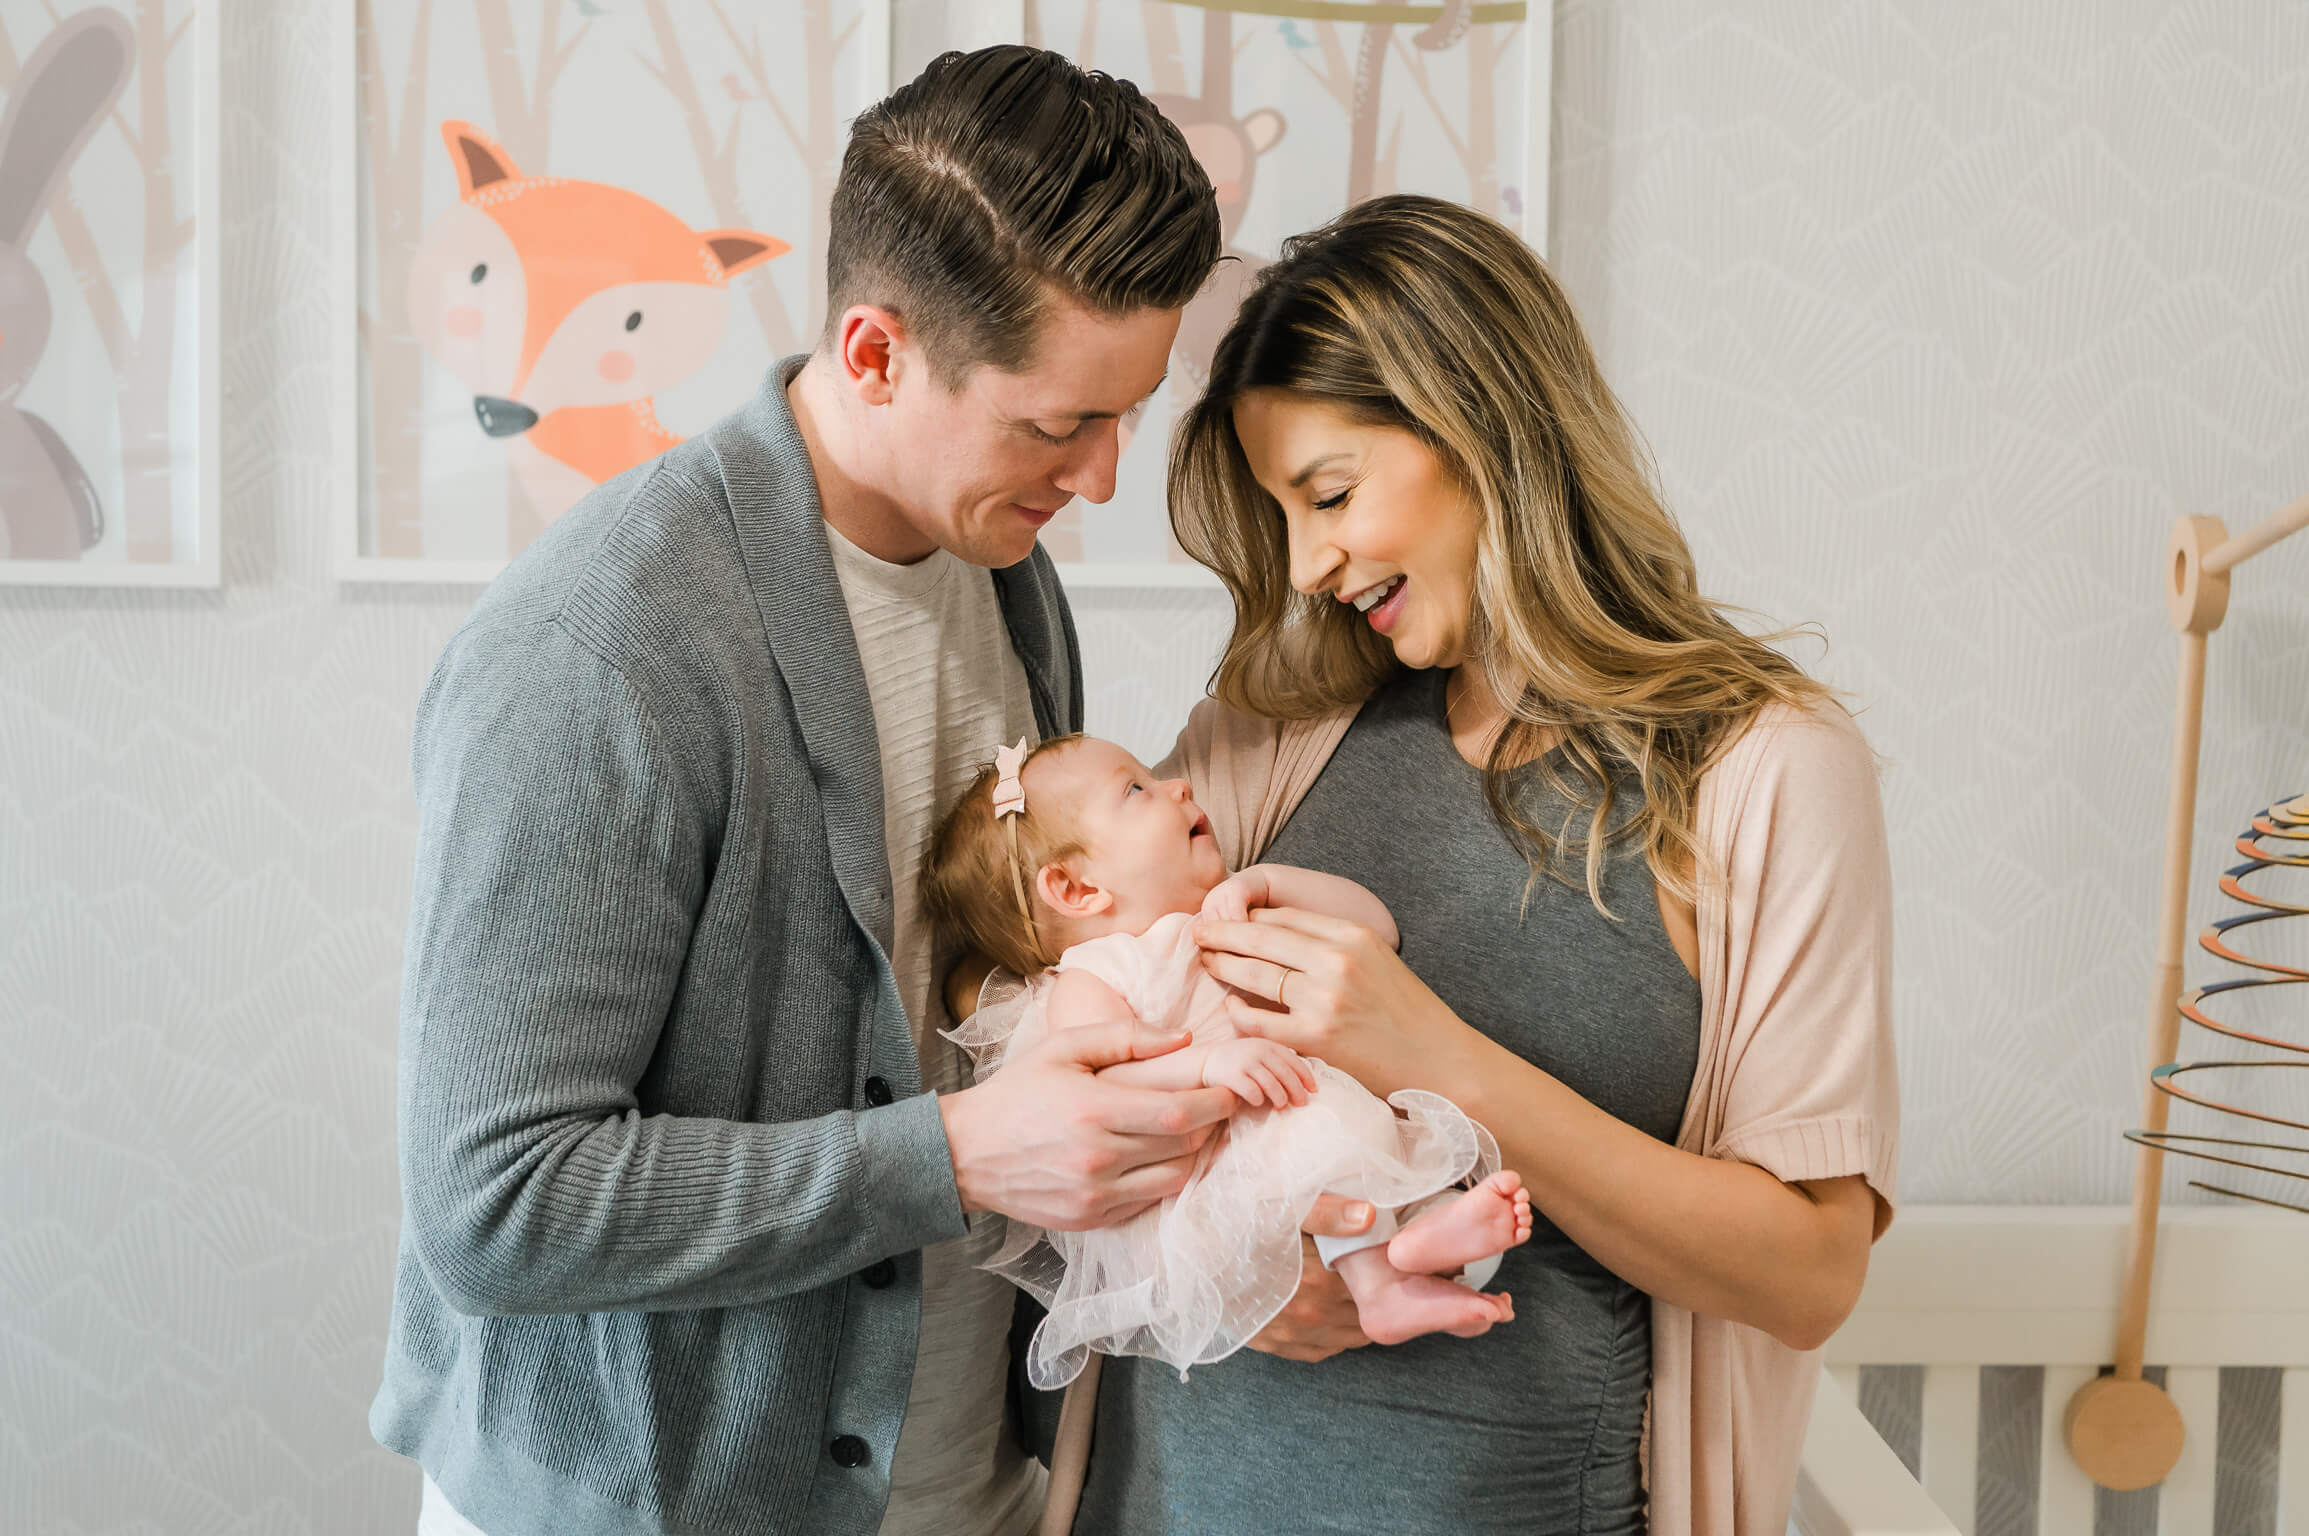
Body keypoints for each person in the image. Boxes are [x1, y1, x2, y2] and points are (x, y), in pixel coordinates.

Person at [369, 47, 1229, 1536]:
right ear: (877, 351)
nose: (1098, 482)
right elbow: (494, 1202)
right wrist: (949, 1156)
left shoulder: (1006, 585)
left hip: (963, 1480)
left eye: (1124, 418)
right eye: (1053, 425)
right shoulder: (599, 653)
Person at [1060, 194, 1898, 1536]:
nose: (1309, 562)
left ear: (1484, 427)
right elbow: (1062, 1065)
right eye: (1283, 515)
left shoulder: (1758, 769)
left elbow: (1809, 1271)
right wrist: (1230, 1273)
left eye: (1329, 495)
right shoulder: (1266, 741)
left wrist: (1435, 1056)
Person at [921, 732, 1535, 1391]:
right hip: (1222, 1149)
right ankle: (1383, 1274)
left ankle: (1419, 1255)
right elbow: (1104, 1087)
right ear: (1074, 888)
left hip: (1295, 1098)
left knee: (1369, 1149)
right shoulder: (1095, 974)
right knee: (1313, 1149)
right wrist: (1209, 1065)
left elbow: (1374, 930)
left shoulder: (1231, 908)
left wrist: (1270, 884)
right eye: (1136, 789)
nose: (1177, 786)